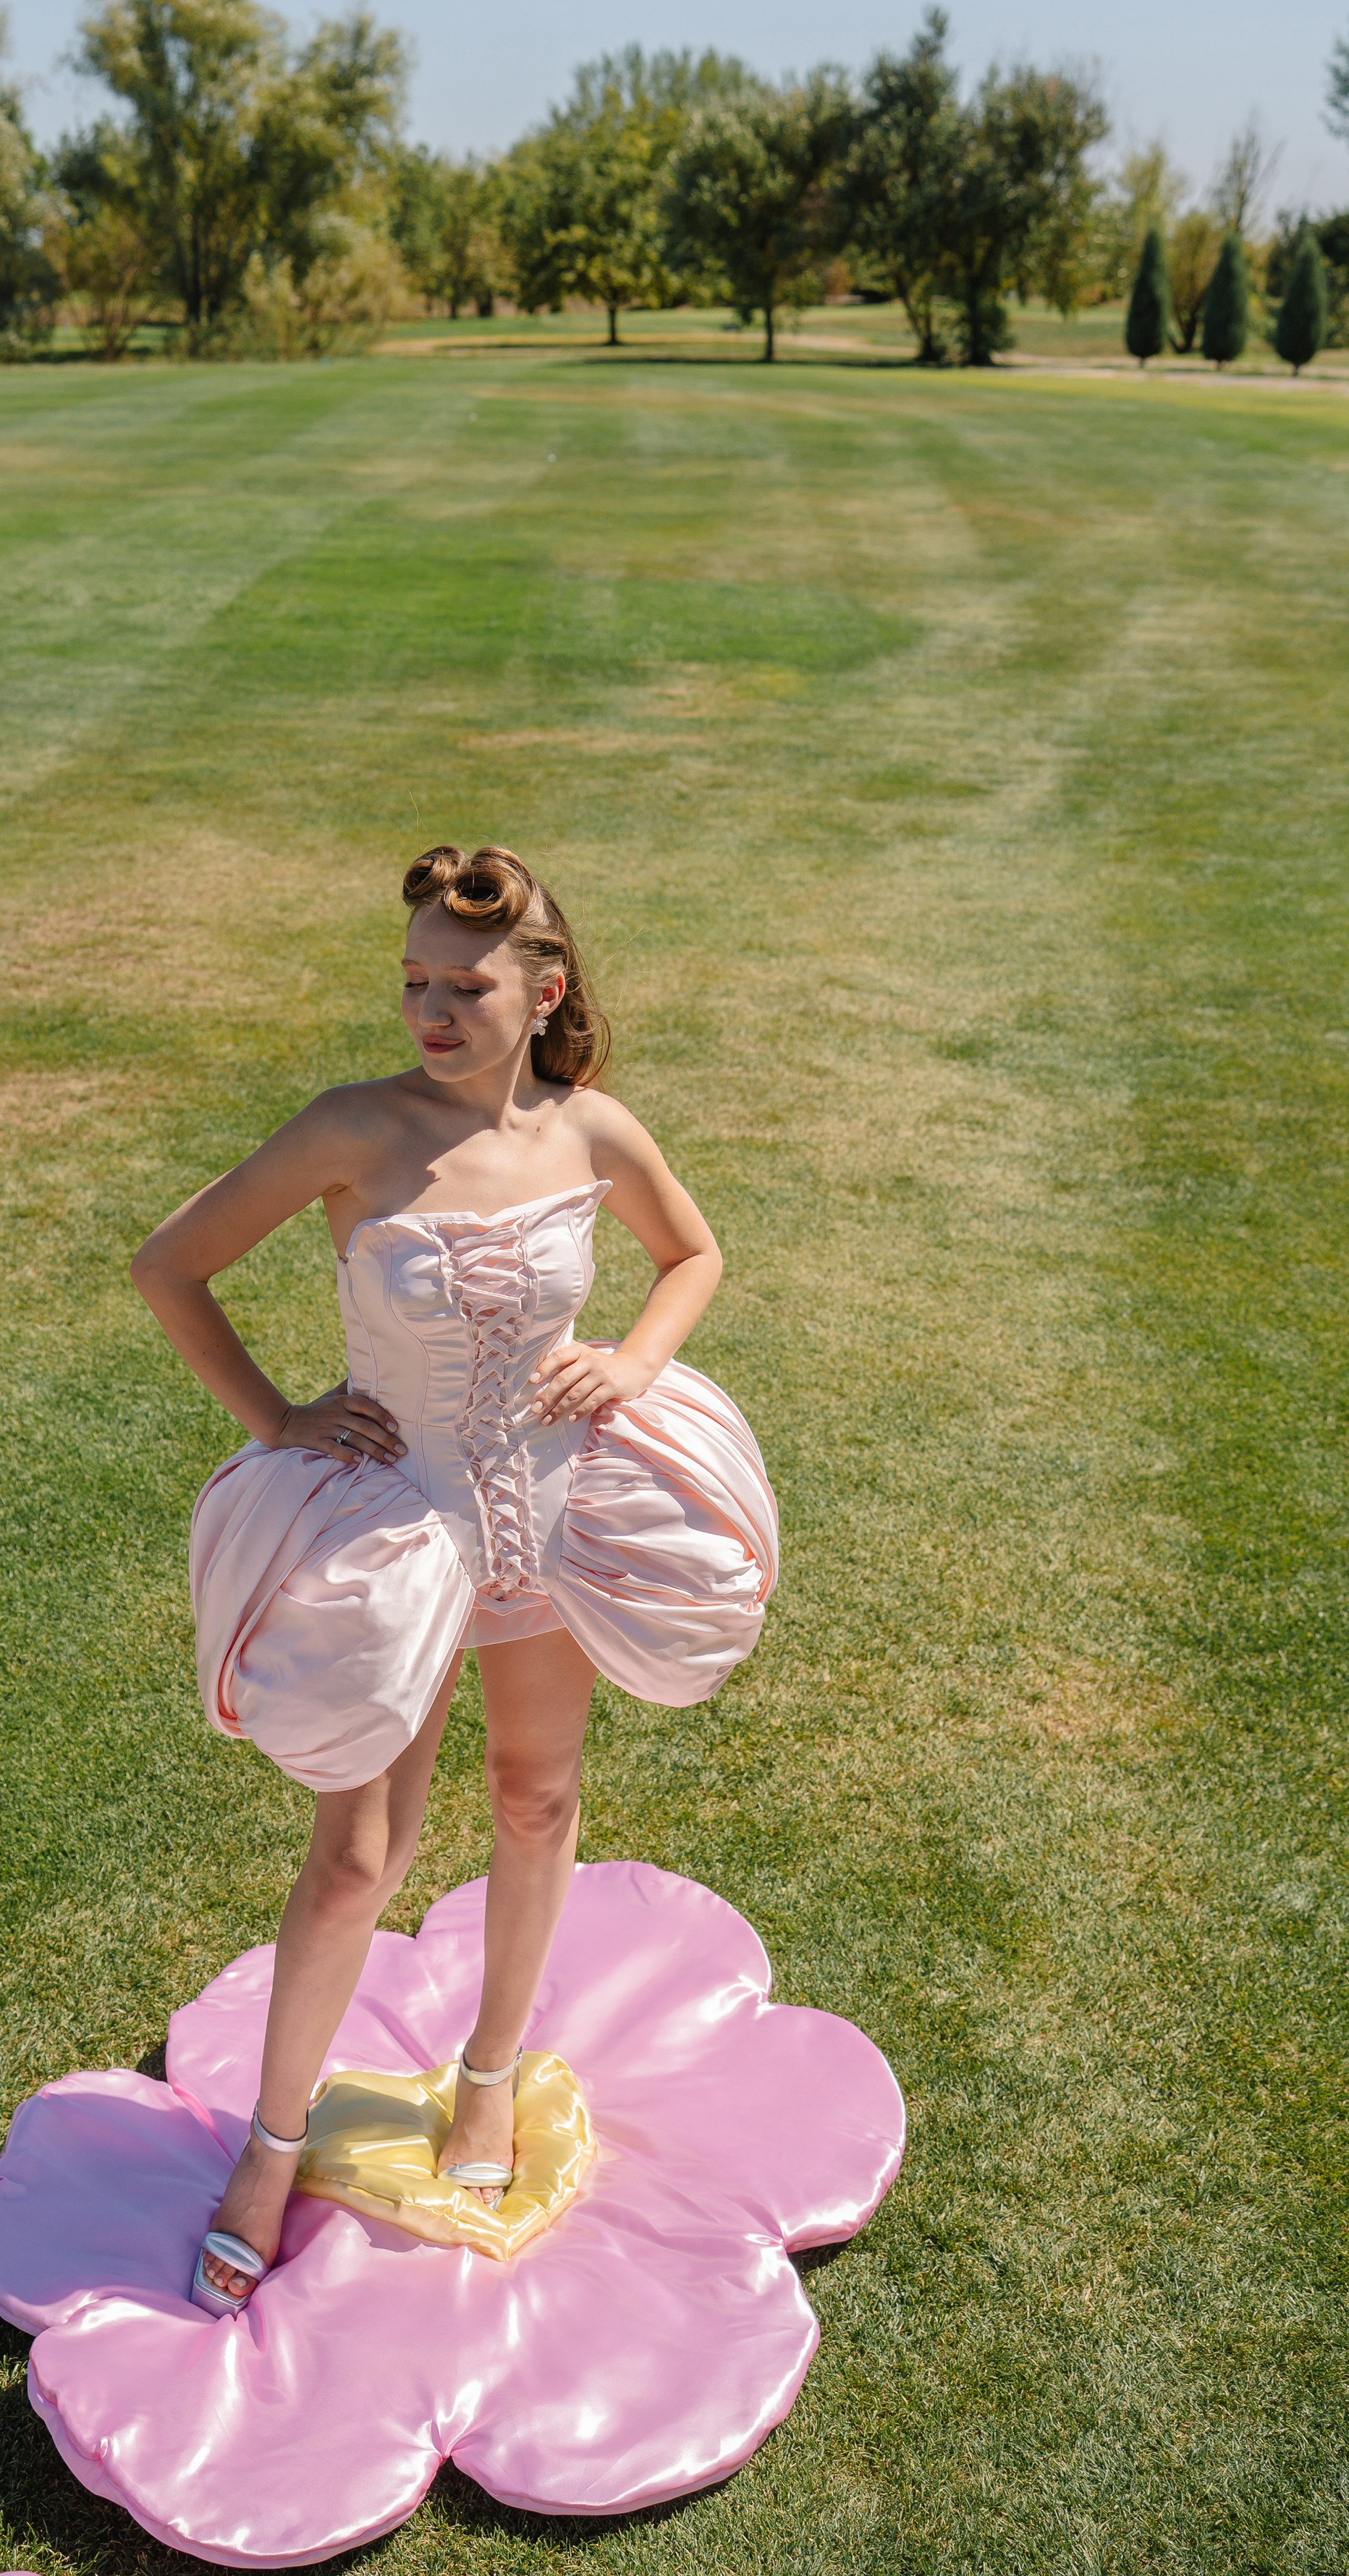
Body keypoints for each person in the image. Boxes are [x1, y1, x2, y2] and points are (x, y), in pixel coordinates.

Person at [130, 844, 778, 2314]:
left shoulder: (592, 1129)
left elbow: (691, 1256)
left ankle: (489, 2077)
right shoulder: (349, 1131)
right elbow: (170, 1265)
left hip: (547, 1535)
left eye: (462, 984)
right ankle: (271, 2144)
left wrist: (626, 1361)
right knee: (359, 1853)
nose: (429, 1008)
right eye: (413, 980)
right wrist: (279, 1419)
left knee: (536, 1797)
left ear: (541, 988)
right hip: (393, 1541)